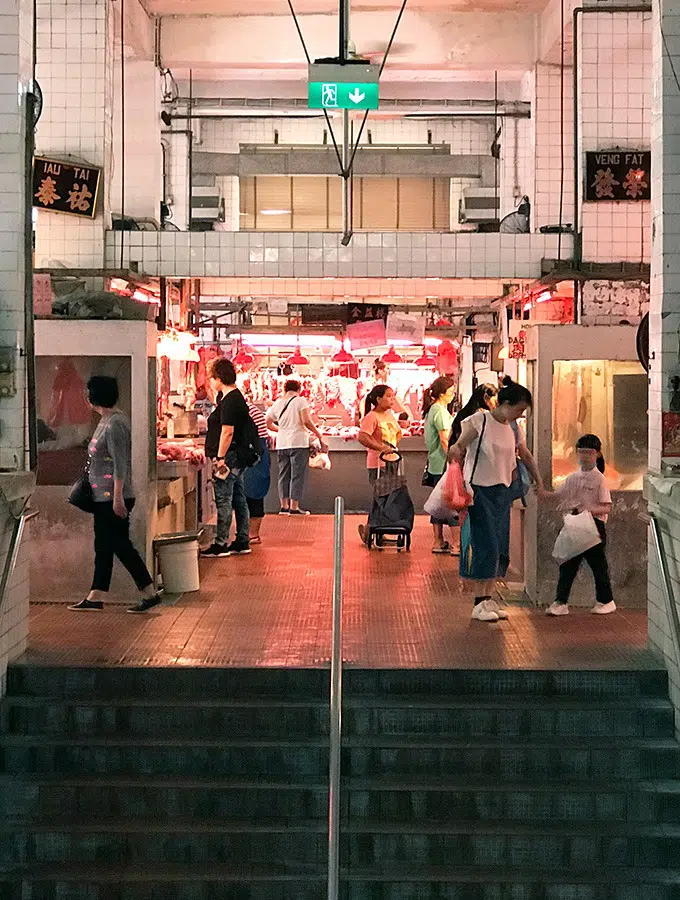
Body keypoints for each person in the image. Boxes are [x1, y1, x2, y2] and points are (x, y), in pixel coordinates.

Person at [449, 377, 544, 623]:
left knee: (500, 546)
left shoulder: (513, 428)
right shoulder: (478, 421)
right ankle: (478, 602)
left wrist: (538, 481)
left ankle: (488, 598)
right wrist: (456, 452)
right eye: (518, 409)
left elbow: (524, 454)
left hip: (502, 492)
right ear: (504, 403)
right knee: (486, 545)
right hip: (478, 493)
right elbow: (457, 446)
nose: (520, 414)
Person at [69, 376, 161, 614]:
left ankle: (148, 591)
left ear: (95, 396)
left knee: (120, 545)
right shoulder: (105, 420)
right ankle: (96, 595)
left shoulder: (116, 423)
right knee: (104, 545)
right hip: (103, 496)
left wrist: (118, 496)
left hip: (113, 497)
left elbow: (120, 463)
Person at [545, 434, 616, 616]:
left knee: (598, 566)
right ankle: (561, 601)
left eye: (589, 452)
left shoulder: (599, 479)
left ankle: (606, 600)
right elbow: (560, 495)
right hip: (575, 525)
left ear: (597, 454)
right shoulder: (572, 478)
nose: (584, 456)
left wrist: (590, 508)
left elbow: (607, 507)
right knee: (568, 564)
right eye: (581, 452)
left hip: (594, 527)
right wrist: (542, 493)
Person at [201, 357, 252, 558]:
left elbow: (227, 432)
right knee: (239, 498)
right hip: (236, 456)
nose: (210, 382)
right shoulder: (233, 398)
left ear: (219, 377)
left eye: (212, 378)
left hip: (228, 457)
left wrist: (220, 457)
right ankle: (242, 540)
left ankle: (221, 543)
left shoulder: (230, 401)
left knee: (223, 499)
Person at [266, 380, 327, 516]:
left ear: (284, 389)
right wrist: (318, 433)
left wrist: (281, 430)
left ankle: (283, 506)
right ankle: (294, 507)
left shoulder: (278, 403)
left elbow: (268, 423)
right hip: (298, 442)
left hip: (282, 443)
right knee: (297, 475)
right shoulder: (301, 401)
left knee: (283, 474)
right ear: (299, 389)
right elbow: (306, 420)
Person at [356, 384, 403, 545]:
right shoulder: (372, 417)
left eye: (392, 396)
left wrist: (393, 446)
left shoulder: (389, 415)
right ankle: (373, 528)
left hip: (392, 461)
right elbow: (362, 437)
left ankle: (374, 528)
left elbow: (398, 432)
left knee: (388, 496)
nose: (392, 399)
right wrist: (380, 447)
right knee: (381, 496)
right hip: (377, 463)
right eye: (388, 396)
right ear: (378, 399)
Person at [423, 376, 457, 554]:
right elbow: (445, 440)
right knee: (452, 503)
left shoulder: (431, 410)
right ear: (442, 393)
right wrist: (453, 460)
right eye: (450, 392)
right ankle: (457, 543)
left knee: (437, 504)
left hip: (435, 463)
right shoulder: (441, 412)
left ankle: (438, 540)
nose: (452, 395)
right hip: (443, 463)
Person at [244, 400, 270, 545]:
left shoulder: (245, 411)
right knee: (254, 493)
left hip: (253, 452)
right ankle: (251, 533)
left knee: (253, 493)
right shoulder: (250, 409)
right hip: (257, 451)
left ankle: (253, 534)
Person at [449, 383, 498, 448]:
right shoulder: (482, 416)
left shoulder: (463, 413)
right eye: (495, 400)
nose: (496, 405)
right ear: (486, 398)